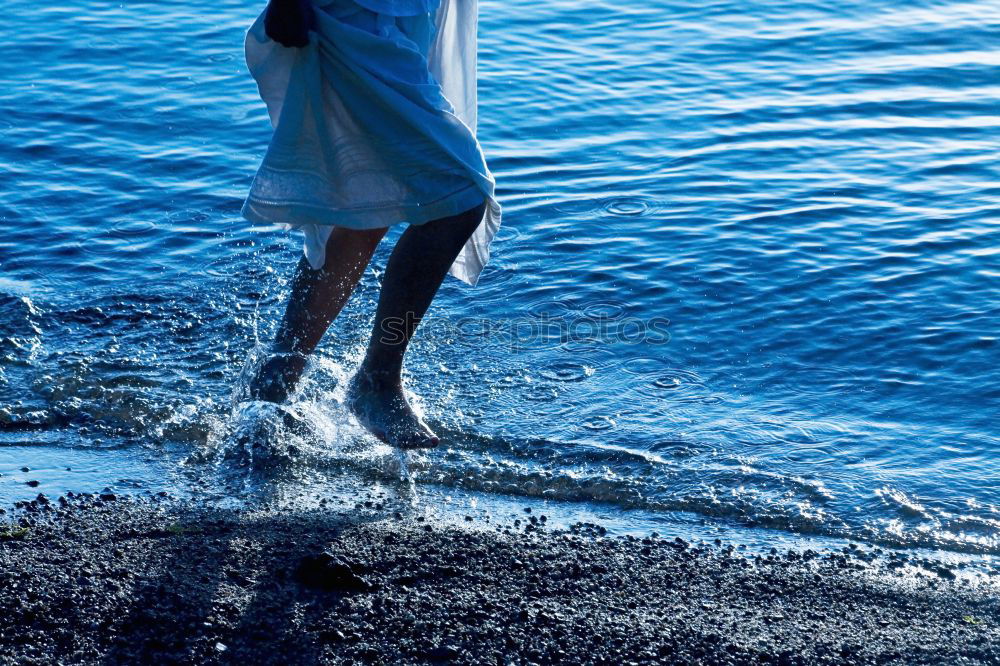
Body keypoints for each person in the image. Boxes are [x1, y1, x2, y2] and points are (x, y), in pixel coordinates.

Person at [240, 0, 501, 449]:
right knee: (458, 195)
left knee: (370, 204)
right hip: (354, 17)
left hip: (407, 14)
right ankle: (376, 380)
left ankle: (274, 385)